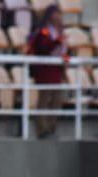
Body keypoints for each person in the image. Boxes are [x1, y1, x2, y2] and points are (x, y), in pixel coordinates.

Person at [27, 4, 67, 139]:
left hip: (56, 71)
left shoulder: (60, 31)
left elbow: (63, 49)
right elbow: (43, 49)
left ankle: (52, 127)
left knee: (57, 100)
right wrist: (56, 42)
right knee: (44, 101)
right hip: (44, 71)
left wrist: (65, 57)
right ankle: (42, 129)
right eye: (56, 14)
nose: (59, 17)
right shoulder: (43, 31)